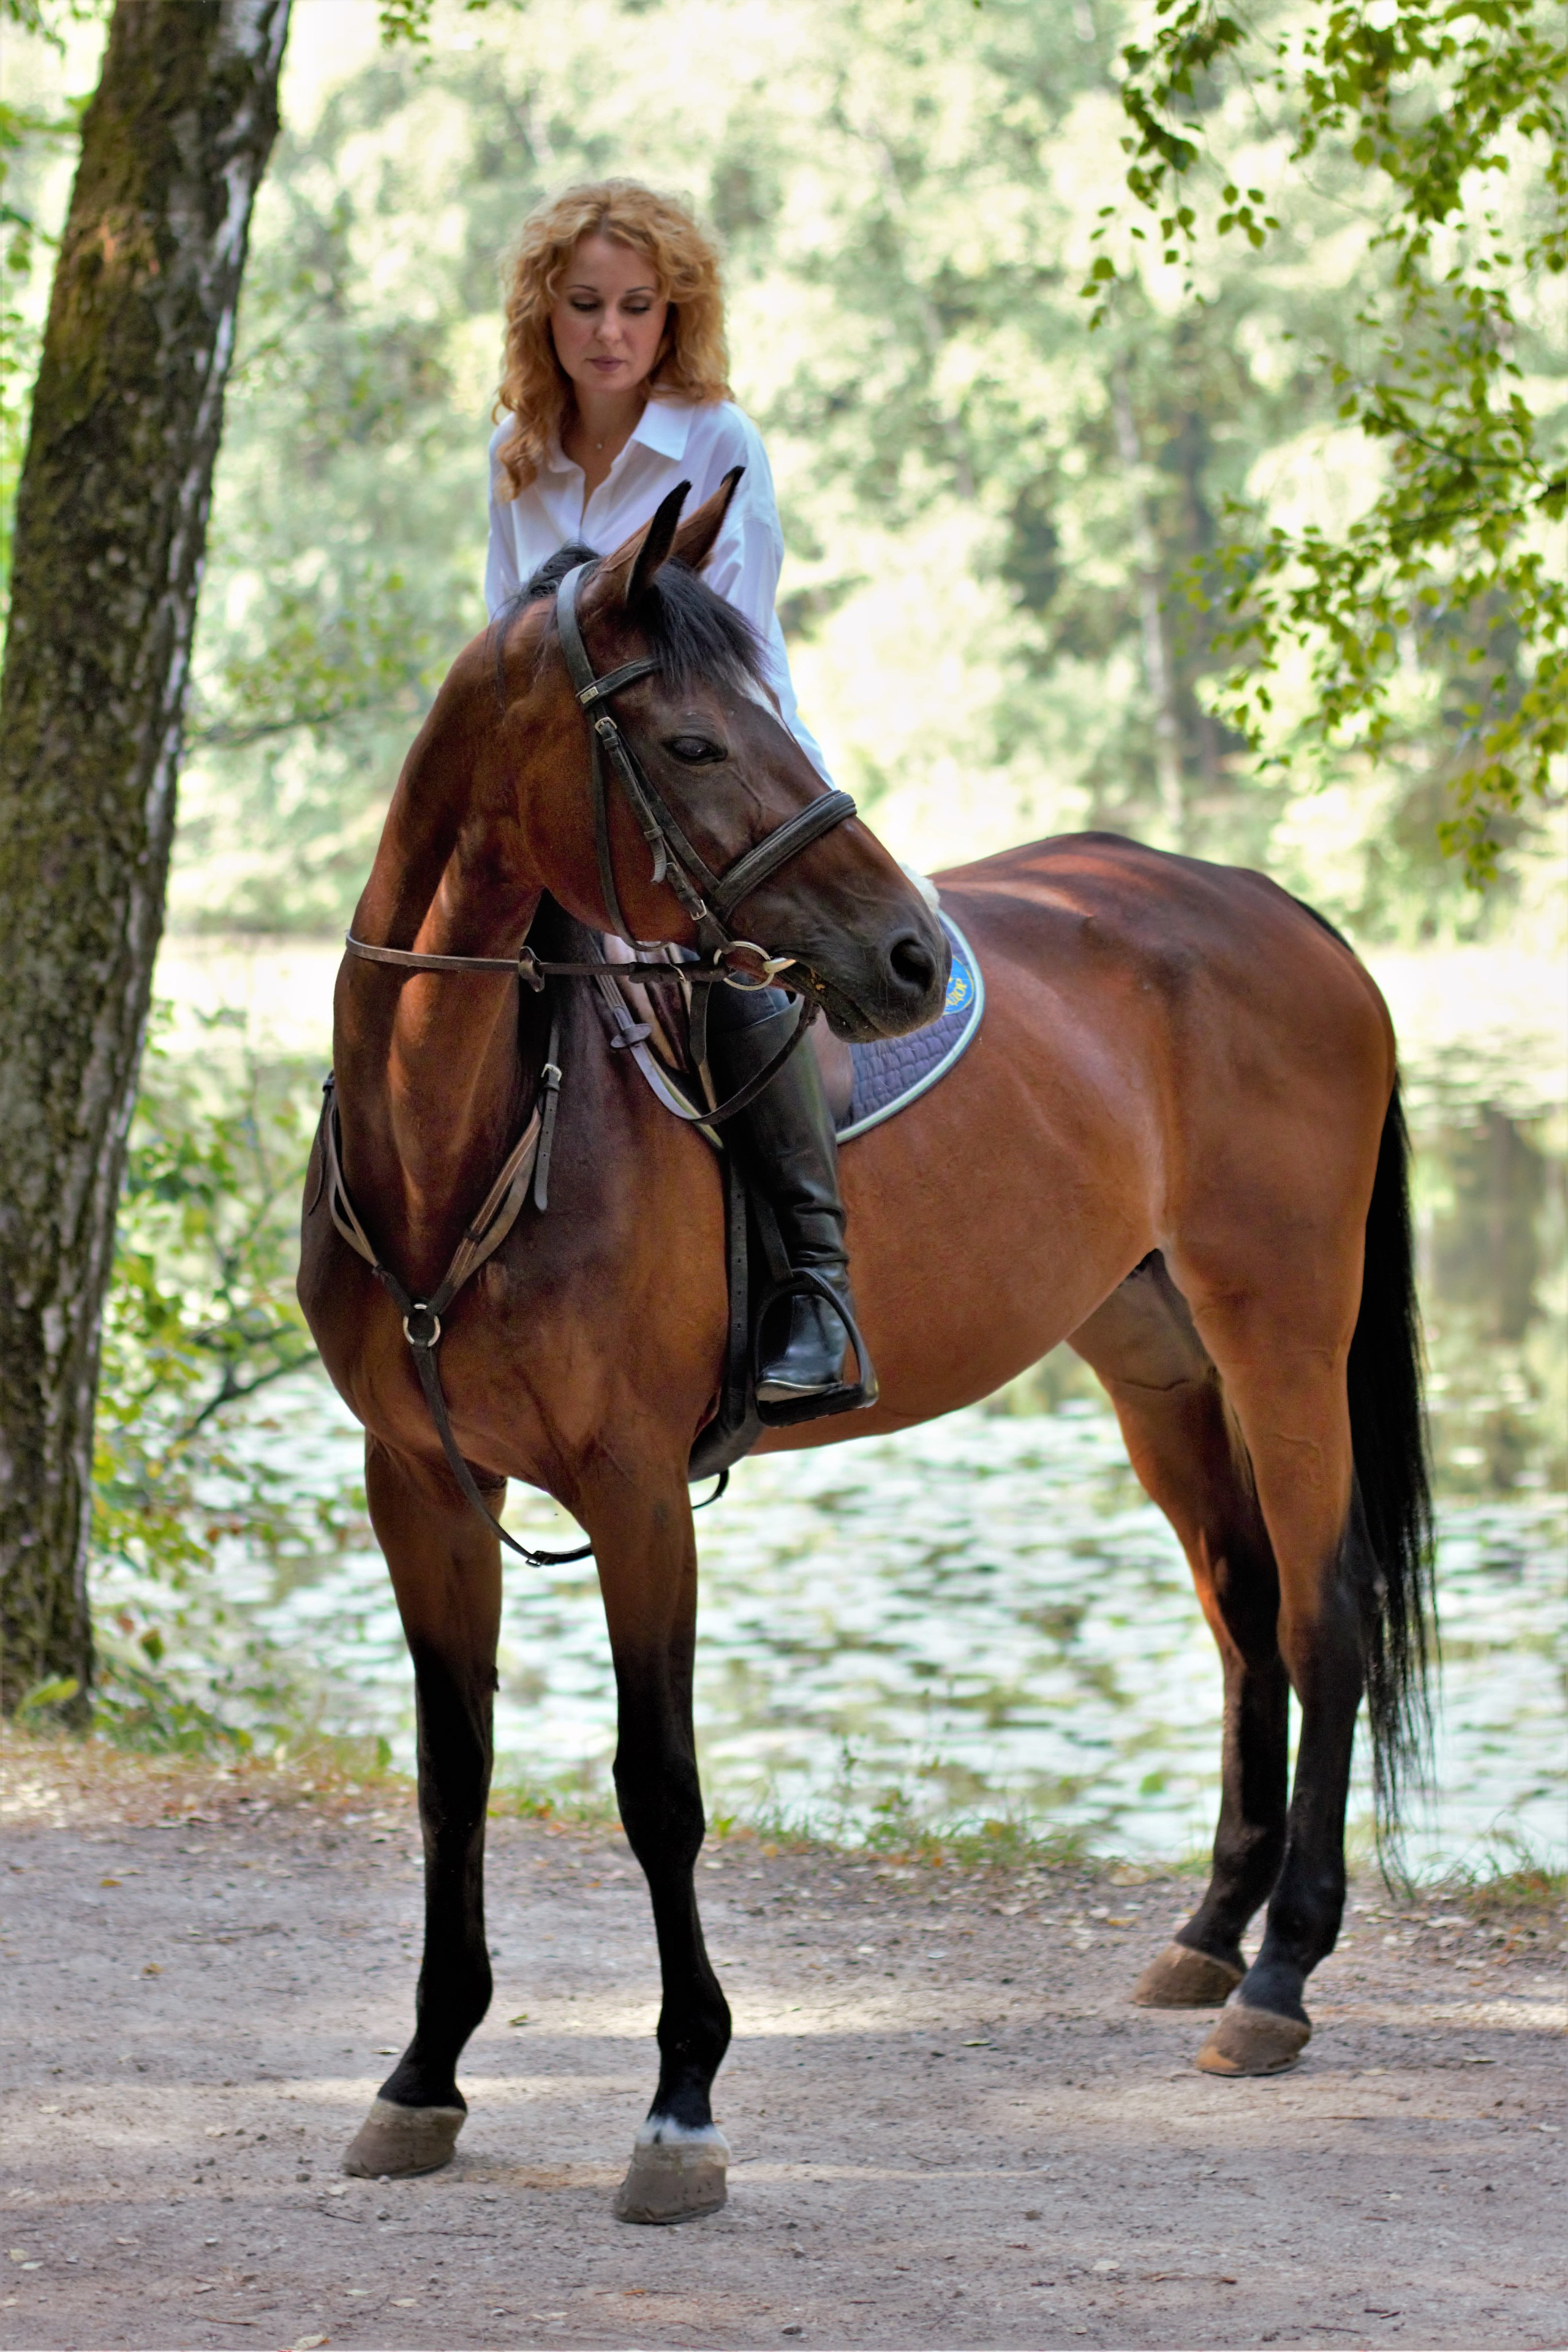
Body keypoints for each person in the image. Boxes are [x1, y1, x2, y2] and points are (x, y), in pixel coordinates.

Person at [485, 179, 857, 1408]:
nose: (608, 332)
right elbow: (502, 645)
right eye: (584, 305)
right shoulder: (517, 459)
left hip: (714, 771)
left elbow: (724, 657)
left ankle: (817, 1293)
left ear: (671, 315)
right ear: (545, 314)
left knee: (726, 967)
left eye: (636, 307)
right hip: (564, 781)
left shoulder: (715, 443)